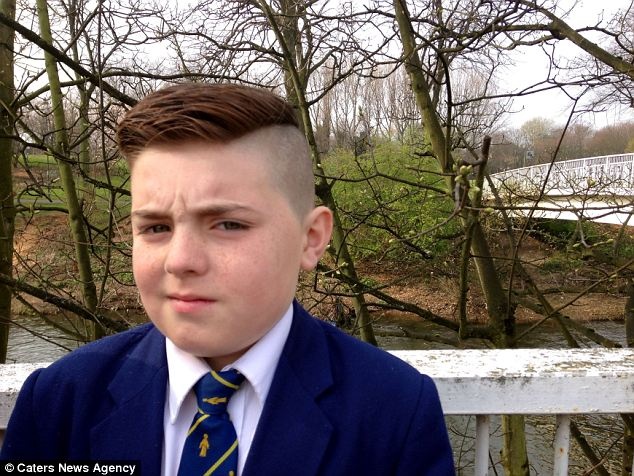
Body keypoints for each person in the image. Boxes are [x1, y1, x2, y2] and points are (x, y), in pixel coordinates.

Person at [1, 83, 455, 475]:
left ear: (311, 239)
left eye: (228, 224)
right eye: (156, 227)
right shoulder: (60, 402)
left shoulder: (393, 411)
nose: (181, 261)